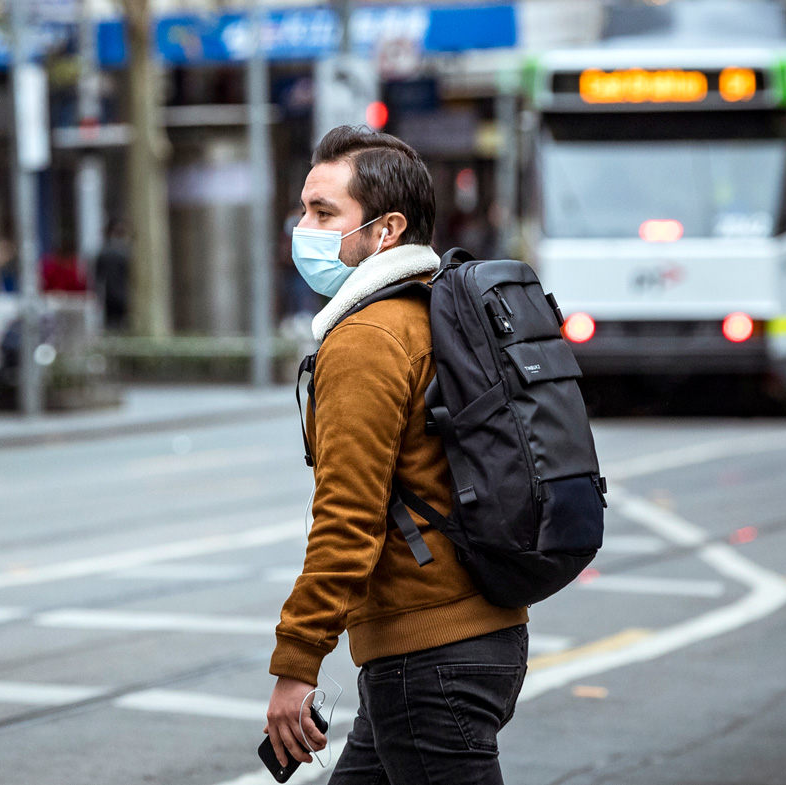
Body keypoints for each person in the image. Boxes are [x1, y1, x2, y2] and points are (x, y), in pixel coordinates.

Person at [264, 126, 529, 784]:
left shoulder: (368, 337)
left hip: (429, 658)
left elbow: (348, 517)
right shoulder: (432, 311)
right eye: (304, 209)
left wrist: (296, 663)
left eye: (324, 213)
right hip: (471, 637)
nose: (305, 227)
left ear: (385, 231)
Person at [94, 221, 131, 330]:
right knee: (118, 324)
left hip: (113, 295)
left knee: (114, 325)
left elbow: (98, 277)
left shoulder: (104, 253)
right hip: (117, 295)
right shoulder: (123, 253)